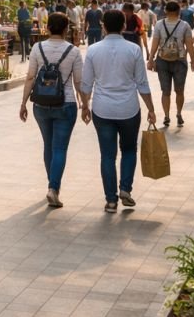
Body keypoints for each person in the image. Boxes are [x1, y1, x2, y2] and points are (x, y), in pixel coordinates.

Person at [79, 11, 157, 213]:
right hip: (129, 109)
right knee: (129, 150)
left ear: (103, 26)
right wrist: (151, 108)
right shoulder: (133, 50)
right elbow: (142, 82)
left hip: (102, 109)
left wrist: (85, 105)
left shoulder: (94, 50)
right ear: (123, 26)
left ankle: (111, 200)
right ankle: (125, 189)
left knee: (107, 155)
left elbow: (86, 84)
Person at [19, 12, 85, 208]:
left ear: (48, 28)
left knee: (48, 145)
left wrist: (23, 103)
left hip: (40, 104)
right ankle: (53, 188)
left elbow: (30, 77)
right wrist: (85, 105)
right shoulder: (73, 51)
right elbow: (78, 81)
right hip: (66, 104)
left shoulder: (37, 48)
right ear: (66, 29)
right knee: (59, 148)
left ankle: (52, 185)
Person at [148, 1, 194, 128]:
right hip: (180, 60)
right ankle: (179, 114)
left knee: (165, 91)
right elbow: (189, 44)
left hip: (162, 60)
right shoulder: (184, 25)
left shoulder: (159, 24)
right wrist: (193, 59)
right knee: (179, 91)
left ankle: (166, 116)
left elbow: (155, 43)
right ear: (178, 11)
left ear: (166, 11)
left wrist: (151, 58)